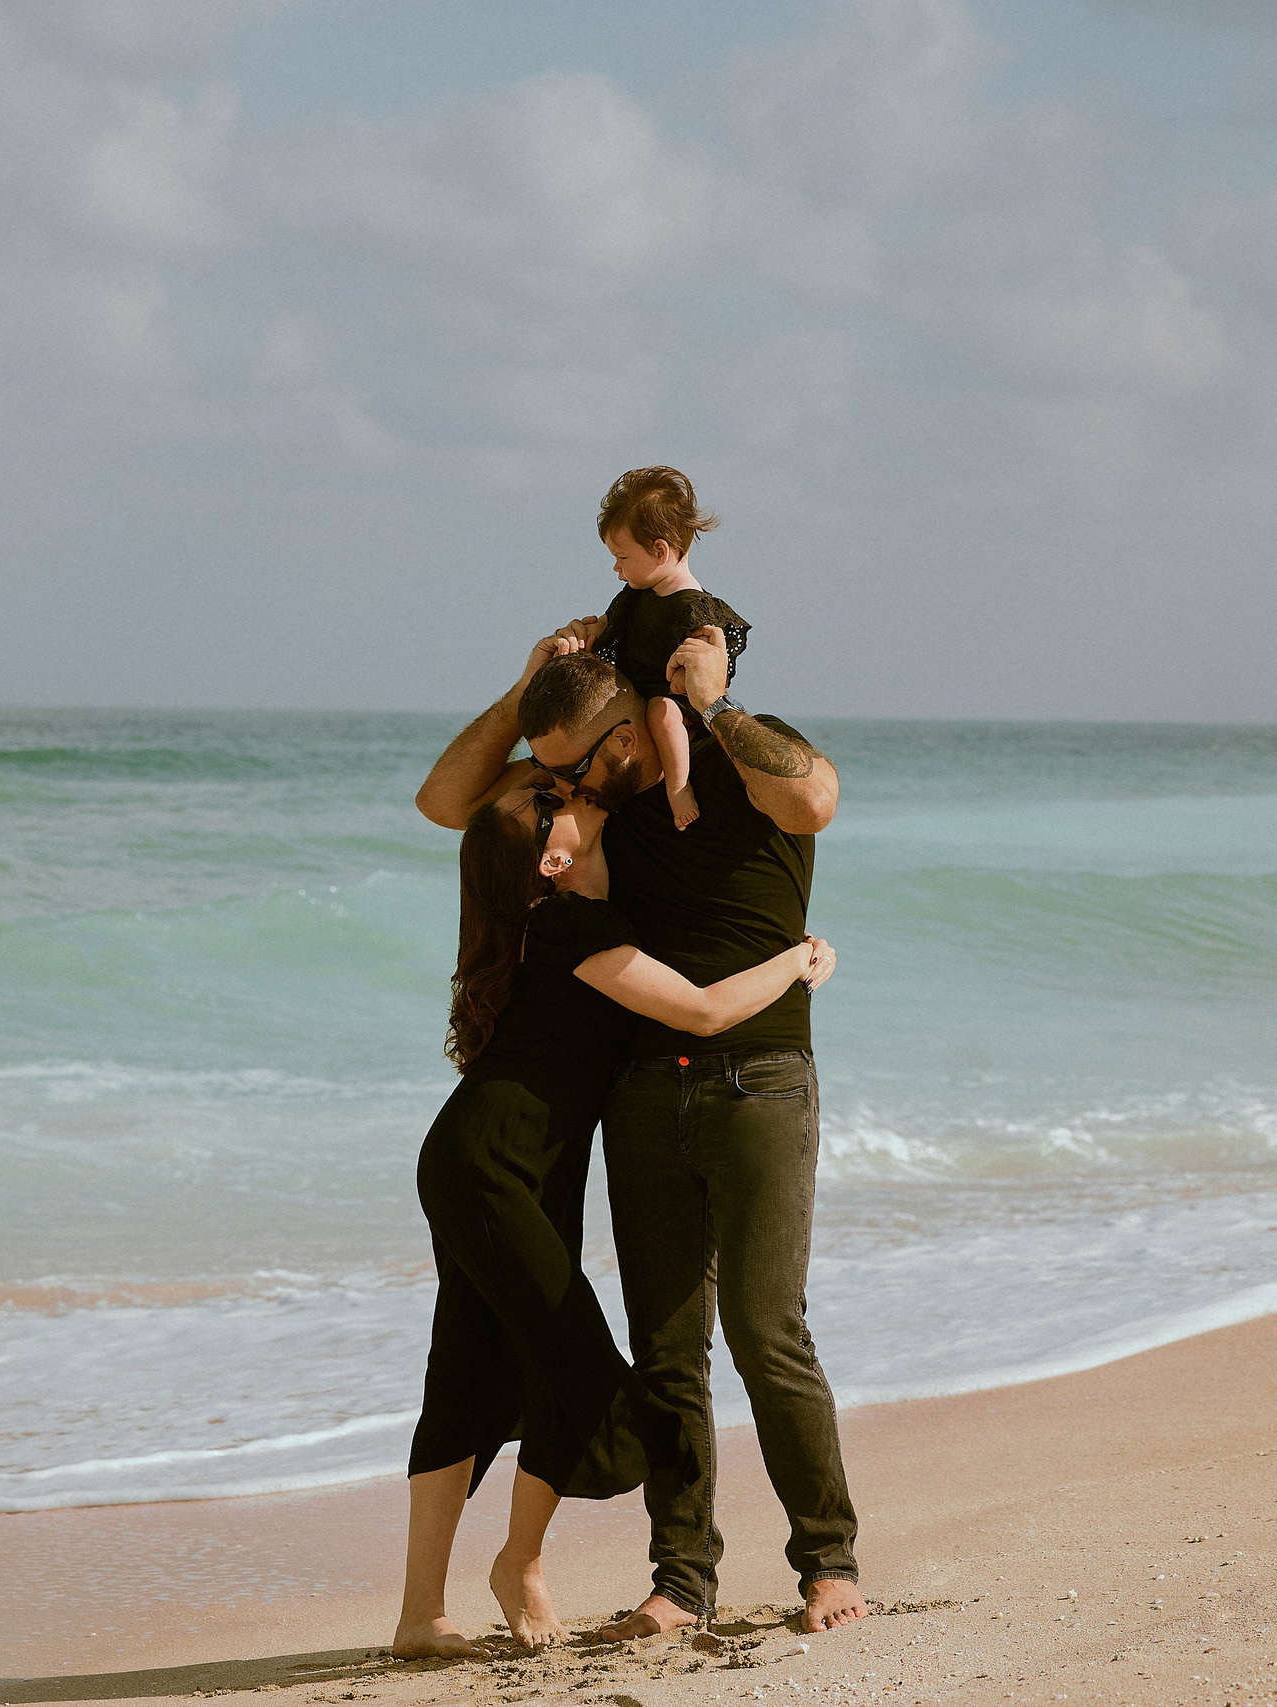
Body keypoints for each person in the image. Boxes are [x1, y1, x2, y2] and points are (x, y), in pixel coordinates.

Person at [414, 612, 868, 1641]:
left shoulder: (742, 761)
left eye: (592, 749)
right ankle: (682, 1580)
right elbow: (448, 804)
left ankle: (827, 1562)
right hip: (643, 1089)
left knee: (764, 1330)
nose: (581, 772)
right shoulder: (590, 807)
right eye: (563, 765)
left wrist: (708, 700)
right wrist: (530, 684)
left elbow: (816, 797)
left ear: (635, 715)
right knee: (666, 1349)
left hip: (760, 1078)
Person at [585, 466, 750, 836]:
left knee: (662, 712)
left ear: (660, 550)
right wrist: (587, 632)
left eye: (622, 557)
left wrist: (684, 676)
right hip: (636, 695)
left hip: (678, 704)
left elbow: (704, 672)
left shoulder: (695, 608)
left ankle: (678, 787)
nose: (616, 567)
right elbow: (608, 627)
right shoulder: (635, 595)